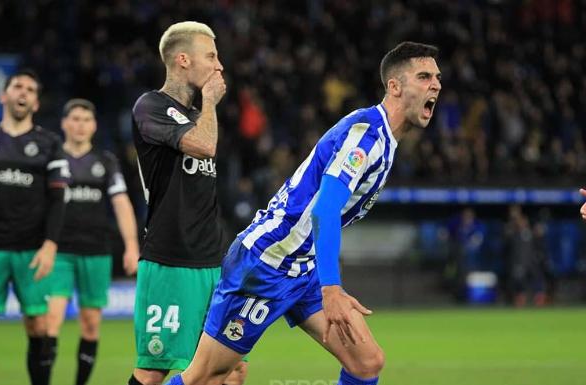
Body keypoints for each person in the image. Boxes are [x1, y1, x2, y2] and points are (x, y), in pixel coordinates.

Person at [166, 41, 442, 385]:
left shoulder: (385, 141)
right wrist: (332, 288)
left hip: (302, 267)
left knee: (366, 362)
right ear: (395, 86)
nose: (436, 84)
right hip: (267, 263)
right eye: (424, 76)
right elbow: (325, 210)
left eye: (437, 77)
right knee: (205, 376)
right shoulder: (365, 136)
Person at [129, 21, 246, 385]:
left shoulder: (198, 117)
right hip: (171, 259)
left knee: (228, 369)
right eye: (211, 55)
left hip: (210, 259)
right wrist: (209, 101)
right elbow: (204, 145)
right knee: (154, 369)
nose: (219, 65)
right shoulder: (150, 106)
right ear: (183, 59)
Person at [45, 98, 139, 385]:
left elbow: (122, 203)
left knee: (91, 325)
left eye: (86, 119)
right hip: (58, 251)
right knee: (50, 321)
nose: (80, 125)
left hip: (96, 251)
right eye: (74, 119)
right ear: (64, 123)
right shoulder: (52, 159)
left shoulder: (105, 161)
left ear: (94, 126)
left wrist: (132, 245)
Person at [0, 70, 70, 385]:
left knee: (38, 325)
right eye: (17, 87)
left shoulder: (49, 143)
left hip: (32, 249)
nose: (22, 92)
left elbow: (59, 199)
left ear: (36, 103)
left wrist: (51, 245)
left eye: (29, 89)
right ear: (4, 95)